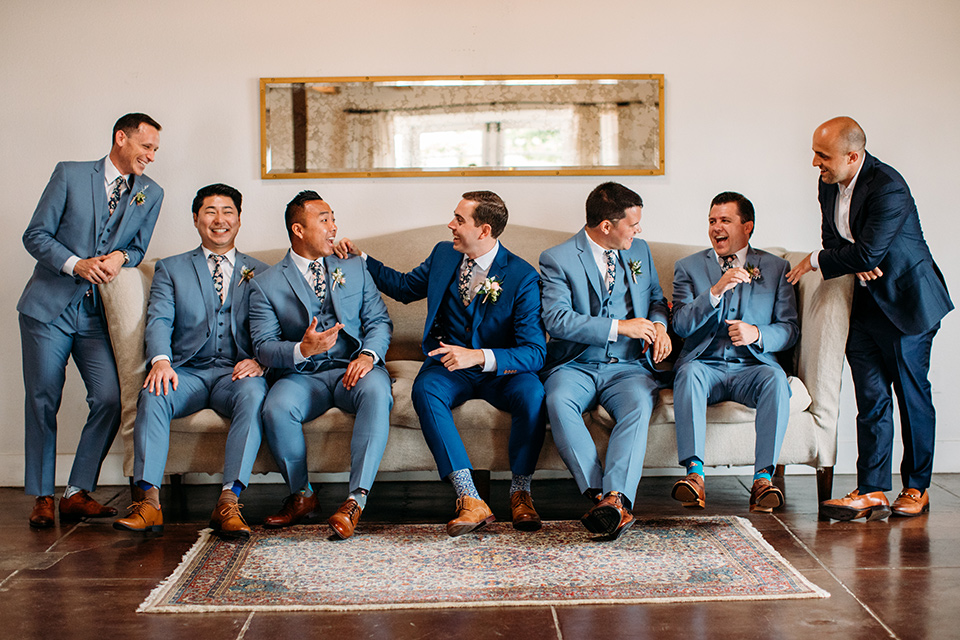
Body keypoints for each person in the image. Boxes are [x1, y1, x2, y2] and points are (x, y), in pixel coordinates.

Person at [336, 191, 547, 537]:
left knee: (534, 393)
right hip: (447, 365)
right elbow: (404, 287)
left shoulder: (522, 276)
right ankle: (468, 497)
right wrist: (363, 259)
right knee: (425, 389)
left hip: (501, 371)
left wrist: (479, 356)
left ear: (484, 230)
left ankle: (520, 491)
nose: (451, 224)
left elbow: (535, 352)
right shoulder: (443, 255)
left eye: (459, 220)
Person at [787, 117, 953, 520]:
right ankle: (873, 488)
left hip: (907, 305)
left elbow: (859, 254)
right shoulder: (829, 182)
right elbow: (839, 242)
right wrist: (856, 259)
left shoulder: (888, 187)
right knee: (871, 399)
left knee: (911, 398)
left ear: (853, 156)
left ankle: (916, 487)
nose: (814, 162)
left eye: (822, 155)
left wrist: (817, 261)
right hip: (865, 306)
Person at [19, 113, 164, 528]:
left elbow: (137, 248)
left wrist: (121, 256)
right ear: (122, 138)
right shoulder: (69, 175)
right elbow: (36, 235)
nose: (152, 156)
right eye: (147, 147)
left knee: (110, 398)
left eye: (155, 150)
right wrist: (75, 264)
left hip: (98, 313)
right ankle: (43, 496)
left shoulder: (151, 193)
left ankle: (77, 491)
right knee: (43, 399)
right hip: (48, 308)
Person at [113, 184, 268, 537]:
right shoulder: (171, 268)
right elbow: (159, 319)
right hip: (188, 371)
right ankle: (148, 502)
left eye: (227, 211)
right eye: (210, 211)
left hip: (237, 373)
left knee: (255, 395)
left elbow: (272, 326)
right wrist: (161, 361)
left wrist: (262, 362)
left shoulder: (261, 271)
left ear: (239, 220)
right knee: (152, 394)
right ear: (196, 219)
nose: (219, 219)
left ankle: (229, 501)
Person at [248, 191, 393, 539]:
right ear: (298, 229)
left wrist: (367, 355)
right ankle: (302, 495)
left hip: (352, 369)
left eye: (333, 218)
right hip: (302, 376)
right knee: (276, 408)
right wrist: (301, 348)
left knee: (376, 392)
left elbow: (379, 321)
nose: (333, 228)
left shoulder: (353, 265)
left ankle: (355, 501)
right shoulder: (265, 284)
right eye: (323, 220)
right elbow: (264, 346)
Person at [539, 182, 671, 540]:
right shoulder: (557, 258)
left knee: (639, 406)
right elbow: (557, 320)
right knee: (556, 400)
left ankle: (613, 499)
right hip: (576, 364)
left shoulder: (638, 250)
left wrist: (659, 326)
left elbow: (657, 298)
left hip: (628, 367)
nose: (639, 230)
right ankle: (605, 497)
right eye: (633, 223)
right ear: (607, 226)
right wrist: (619, 326)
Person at [671, 192, 799, 514]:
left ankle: (762, 480)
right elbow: (682, 325)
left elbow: (789, 329)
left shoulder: (775, 267)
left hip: (751, 368)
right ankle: (695, 477)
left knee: (774, 378)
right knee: (688, 373)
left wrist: (757, 333)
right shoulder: (688, 267)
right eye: (712, 221)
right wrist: (714, 292)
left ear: (747, 227)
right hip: (705, 363)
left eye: (725, 220)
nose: (716, 228)